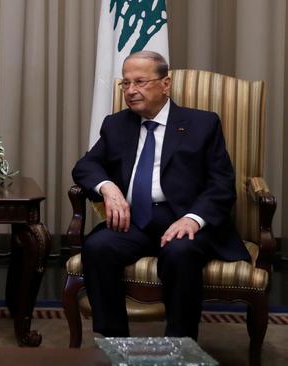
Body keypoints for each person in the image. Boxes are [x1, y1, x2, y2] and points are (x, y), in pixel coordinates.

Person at [72, 51, 250, 339]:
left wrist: (193, 219)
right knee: (98, 246)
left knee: (180, 252)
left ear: (165, 84)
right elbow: (86, 165)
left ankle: (179, 345)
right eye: (126, 84)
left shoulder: (202, 124)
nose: (131, 91)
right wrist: (109, 187)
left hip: (182, 218)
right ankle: (115, 342)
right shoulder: (116, 124)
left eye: (140, 82)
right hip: (133, 219)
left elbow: (222, 184)